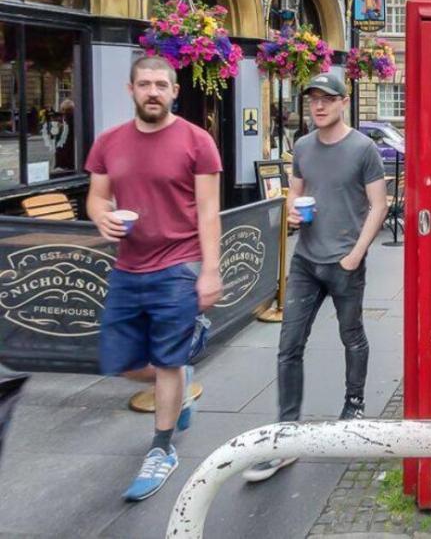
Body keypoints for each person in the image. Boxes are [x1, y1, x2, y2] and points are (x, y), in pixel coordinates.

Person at [85, 55, 223, 501]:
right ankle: (179, 385)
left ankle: (161, 448)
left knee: (165, 360)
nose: (153, 92)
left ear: (175, 91)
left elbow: (208, 212)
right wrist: (101, 217)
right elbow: (97, 197)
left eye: (161, 85)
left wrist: (210, 270)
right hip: (128, 266)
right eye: (144, 84)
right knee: (121, 363)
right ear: (131, 90)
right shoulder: (108, 142)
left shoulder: (197, 141)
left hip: (178, 266)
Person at [244, 71, 387, 483]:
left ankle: (354, 404)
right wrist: (291, 211)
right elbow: (296, 191)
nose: (319, 106)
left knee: (351, 336)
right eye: (313, 100)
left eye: (327, 99)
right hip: (305, 261)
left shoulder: (363, 148)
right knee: (289, 346)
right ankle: (287, 434)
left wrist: (356, 255)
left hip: (344, 260)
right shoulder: (302, 146)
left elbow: (378, 205)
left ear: (343, 102)